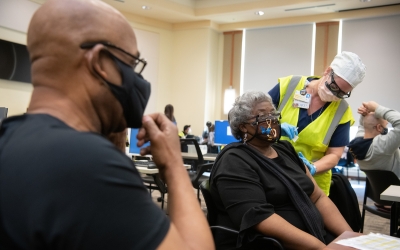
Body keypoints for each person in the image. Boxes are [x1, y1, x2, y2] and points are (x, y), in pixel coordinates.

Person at [0, 1, 214, 249]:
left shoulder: (9, 140)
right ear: (100, 63)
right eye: (132, 64)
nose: (137, 79)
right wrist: (173, 163)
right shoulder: (87, 163)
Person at [209, 91, 352, 250]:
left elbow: (317, 197)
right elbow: (260, 217)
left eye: (273, 113)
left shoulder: (286, 150)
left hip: (316, 235)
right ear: (243, 126)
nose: (271, 120)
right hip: (271, 245)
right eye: (262, 116)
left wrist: (349, 237)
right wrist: (322, 248)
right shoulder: (234, 160)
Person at [268, 51, 366, 195]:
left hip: (311, 182)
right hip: (272, 169)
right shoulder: (289, 86)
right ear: (328, 71)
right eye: (334, 87)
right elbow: (256, 117)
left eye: (342, 93)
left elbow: (334, 154)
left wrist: (313, 167)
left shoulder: (342, 111)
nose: (335, 94)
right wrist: (275, 128)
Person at [348, 101, 400, 178]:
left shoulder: (356, 143)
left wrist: (364, 115)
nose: (387, 127)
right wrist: (377, 108)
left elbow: (363, 126)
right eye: (386, 125)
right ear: (379, 127)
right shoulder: (381, 146)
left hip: (382, 188)